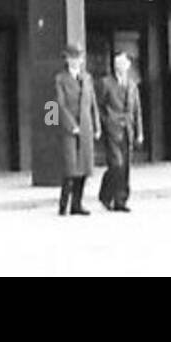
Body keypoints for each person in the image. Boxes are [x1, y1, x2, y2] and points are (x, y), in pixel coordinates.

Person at [53, 42, 101, 216]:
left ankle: (77, 205)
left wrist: (96, 125)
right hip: (70, 129)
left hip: (86, 127)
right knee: (70, 168)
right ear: (67, 59)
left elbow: (92, 102)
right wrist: (71, 125)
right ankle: (63, 204)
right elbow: (59, 104)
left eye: (78, 58)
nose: (76, 61)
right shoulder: (60, 79)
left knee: (84, 167)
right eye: (72, 58)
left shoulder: (87, 78)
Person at [97, 51, 144, 212]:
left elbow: (137, 110)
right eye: (118, 64)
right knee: (116, 164)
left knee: (125, 167)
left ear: (128, 66)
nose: (121, 67)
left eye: (123, 64)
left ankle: (120, 200)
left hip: (128, 131)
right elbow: (99, 107)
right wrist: (106, 123)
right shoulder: (106, 83)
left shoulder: (132, 85)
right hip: (112, 130)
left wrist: (139, 132)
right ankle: (106, 195)